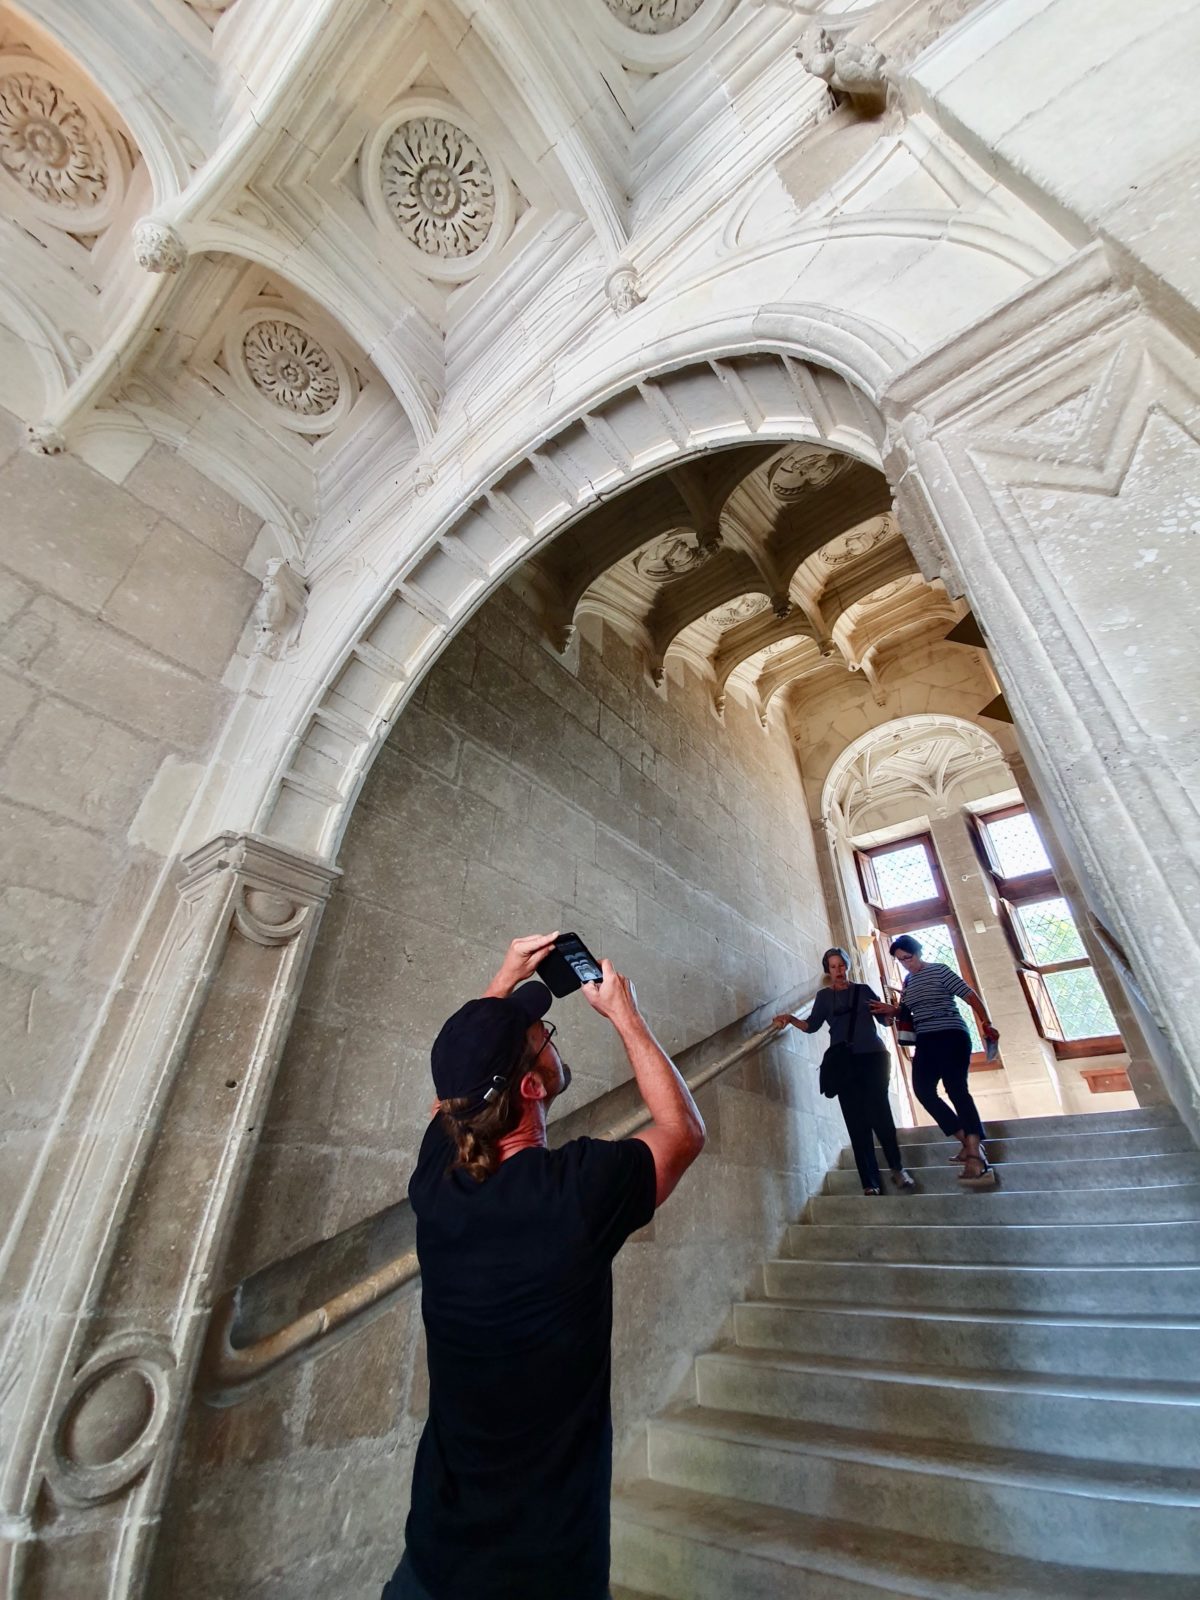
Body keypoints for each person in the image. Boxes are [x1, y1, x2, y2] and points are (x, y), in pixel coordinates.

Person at [383, 932, 706, 1600]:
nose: (552, 1040)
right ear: (531, 1085)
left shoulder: (436, 1187)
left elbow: (457, 1092)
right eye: (543, 1036)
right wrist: (628, 1017)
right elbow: (682, 1133)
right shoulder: (574, 1194)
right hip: (544, 1574)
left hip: (432, 1564)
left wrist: (501, 984)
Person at [774, 948, 914, 1196]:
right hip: (844, 1063)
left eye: (841, 965)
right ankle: (869, 1182)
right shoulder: (824, 997)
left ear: (847, 966)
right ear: (827, 970)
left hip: (873, 1057)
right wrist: (791, 1019)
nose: (838, 971)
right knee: (855, 1120)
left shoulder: (863, 991)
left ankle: (897, 1168)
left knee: (880, 1113)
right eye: (833, 967)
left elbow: (884, 1021)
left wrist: (890, 1012)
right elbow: (812, 1026)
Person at [870, 934, 999, 1187]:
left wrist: (986, 1021)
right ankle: (966, 1141)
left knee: (956, 1089)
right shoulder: (908, 981)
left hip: (951, 1034)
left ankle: (975, 1153)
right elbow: (906, 1010)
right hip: (926, 1040)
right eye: (900, 960)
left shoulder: (940, 971)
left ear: (918, 952)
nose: (906, 963)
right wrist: (892, 1010)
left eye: (908, 957)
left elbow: (969, 995)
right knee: (923, 1091)